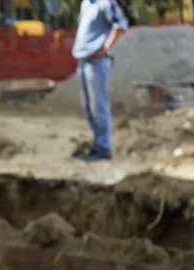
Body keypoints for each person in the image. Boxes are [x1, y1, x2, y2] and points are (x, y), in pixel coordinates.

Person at [71, 0, 128, 162]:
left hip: (96, 62)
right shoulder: (86, 4)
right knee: (88, 107)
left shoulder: (105, 3)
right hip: (83, 60)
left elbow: (121, 25)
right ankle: (97, 145)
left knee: (98, 105)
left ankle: (103, 148)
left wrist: (105, 48)